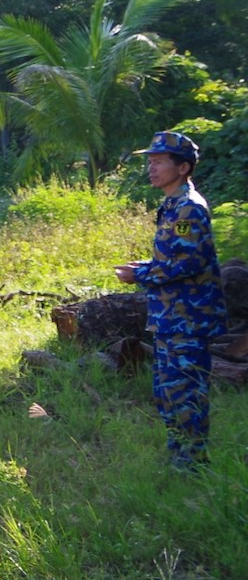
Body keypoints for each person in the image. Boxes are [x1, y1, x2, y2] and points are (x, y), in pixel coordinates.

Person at [116, 131, 228, 471]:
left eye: (159, 162)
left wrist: (142, 276)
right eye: (150, 162)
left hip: (188, 321)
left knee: (186, 395)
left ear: (182, 168)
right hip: (172, 319)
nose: (151, 168)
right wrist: (148, 266)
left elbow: (189, 264)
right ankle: (179, 461)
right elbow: (178, 258)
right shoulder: (173, 205)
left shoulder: (188, 209)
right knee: (168, 393)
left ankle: (192, 467)